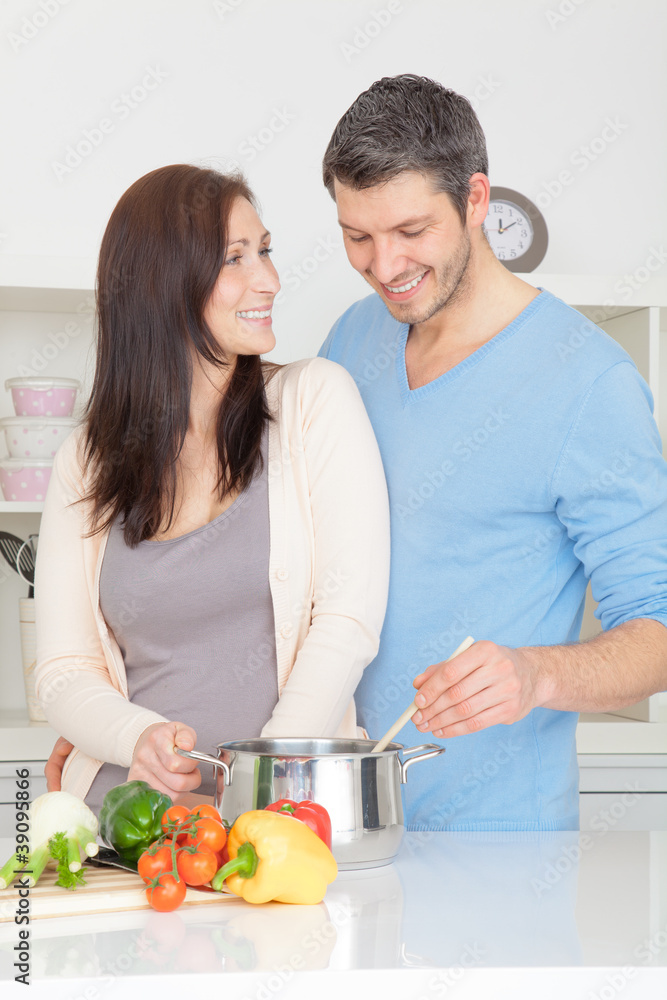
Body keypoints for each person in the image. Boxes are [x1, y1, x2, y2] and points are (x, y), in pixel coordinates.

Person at [319, 74, 667, 830]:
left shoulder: (589, 383)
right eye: (357, 237)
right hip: (329, 827)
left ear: (476, 200)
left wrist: (534, 672)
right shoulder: (351, 338)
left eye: (411, 232)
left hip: (498, 851)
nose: (383, 266)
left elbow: (658, 628)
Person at [35, 164, 390, 812]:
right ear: (160, 284)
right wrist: (137, 736)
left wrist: (259, 792)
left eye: (265, 250)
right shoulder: (84, 462)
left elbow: (346, 621)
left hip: (277, 833)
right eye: (235, 258)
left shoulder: (314, 401)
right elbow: (61, 672)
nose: (269, 279)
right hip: (123, 833)